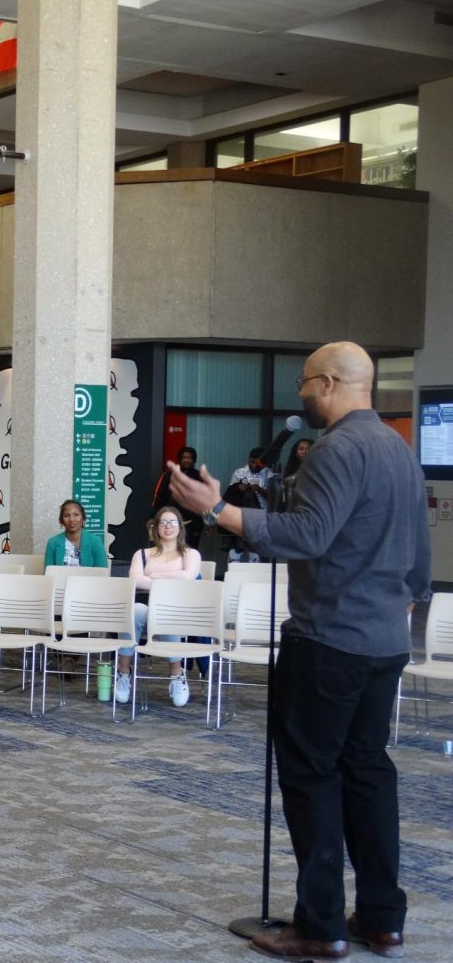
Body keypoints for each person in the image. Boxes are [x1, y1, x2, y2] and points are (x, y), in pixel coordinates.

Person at [169, 341, 428, 962]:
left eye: (306, 383)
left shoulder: (337, 449)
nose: (300, 394)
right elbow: (421, 561)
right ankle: (382, 918)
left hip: (330, 641)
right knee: (368, 774)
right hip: (384, 644)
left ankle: (320, 927)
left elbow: (308, 535)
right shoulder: (398, 449)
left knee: (312, 778)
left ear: (332, 383)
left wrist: (222, 511)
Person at [115, 505, 201, 708]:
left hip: (178, 610)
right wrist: (170, 579)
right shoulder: (142, 554)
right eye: (163, 522)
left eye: (173, 522)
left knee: (165, 613)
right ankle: (123, 672)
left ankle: (177, 674)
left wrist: (155, 576)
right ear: (156, 528)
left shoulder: (191, 554)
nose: (168, 526)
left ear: (180, 527)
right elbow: (135, 580)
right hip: (146, 607)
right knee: (135, 611)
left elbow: (188, 577)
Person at [151, 447, 203, 548]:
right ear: (179, 459)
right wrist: (153, 517)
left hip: (193, 523)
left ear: (194, 460)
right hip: (170, 522)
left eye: (190, 458)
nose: (187, 460)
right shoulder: (168, 475)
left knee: (190, 551)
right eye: (184, 457)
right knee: (170, 549)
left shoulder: (199, 477)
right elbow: (158, 497)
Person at [43, 498, 108, 569]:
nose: (71, 519)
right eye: (66, 515)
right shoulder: (53, 543)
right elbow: (48, 574)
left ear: (83, 518)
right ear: (61, 520)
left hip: (89, 580)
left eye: (76, 515)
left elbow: (102, 574)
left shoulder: (95, 542)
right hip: (60, 580)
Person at [282, 437, 313, 507]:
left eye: (308, 449)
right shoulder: (289, 477)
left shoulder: (318, 474)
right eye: (301, 449)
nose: (304, 452)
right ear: (296, 453)